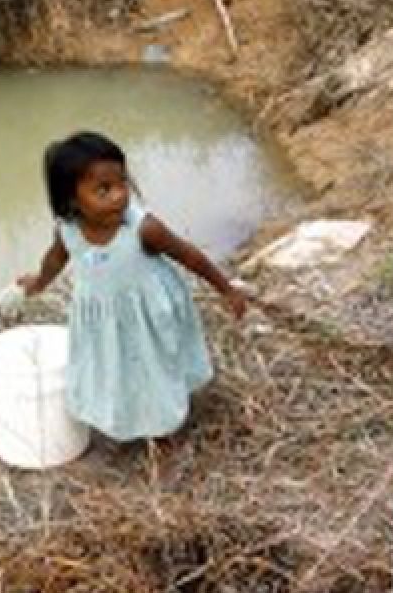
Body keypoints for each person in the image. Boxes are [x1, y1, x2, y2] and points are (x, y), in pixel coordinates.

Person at [18, 131, 248, 442]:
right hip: (102, 320)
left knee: (155, 368)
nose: (119, 195)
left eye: (121, 183)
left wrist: (226, 289)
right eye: (103, 189)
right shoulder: (68, 230)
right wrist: (39, 282)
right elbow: (55, 259)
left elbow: (188, 254)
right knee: (117, 368)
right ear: (72, 198)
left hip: (148, 316)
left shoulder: (144, 229)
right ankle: (125, 417)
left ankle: (165, 429)